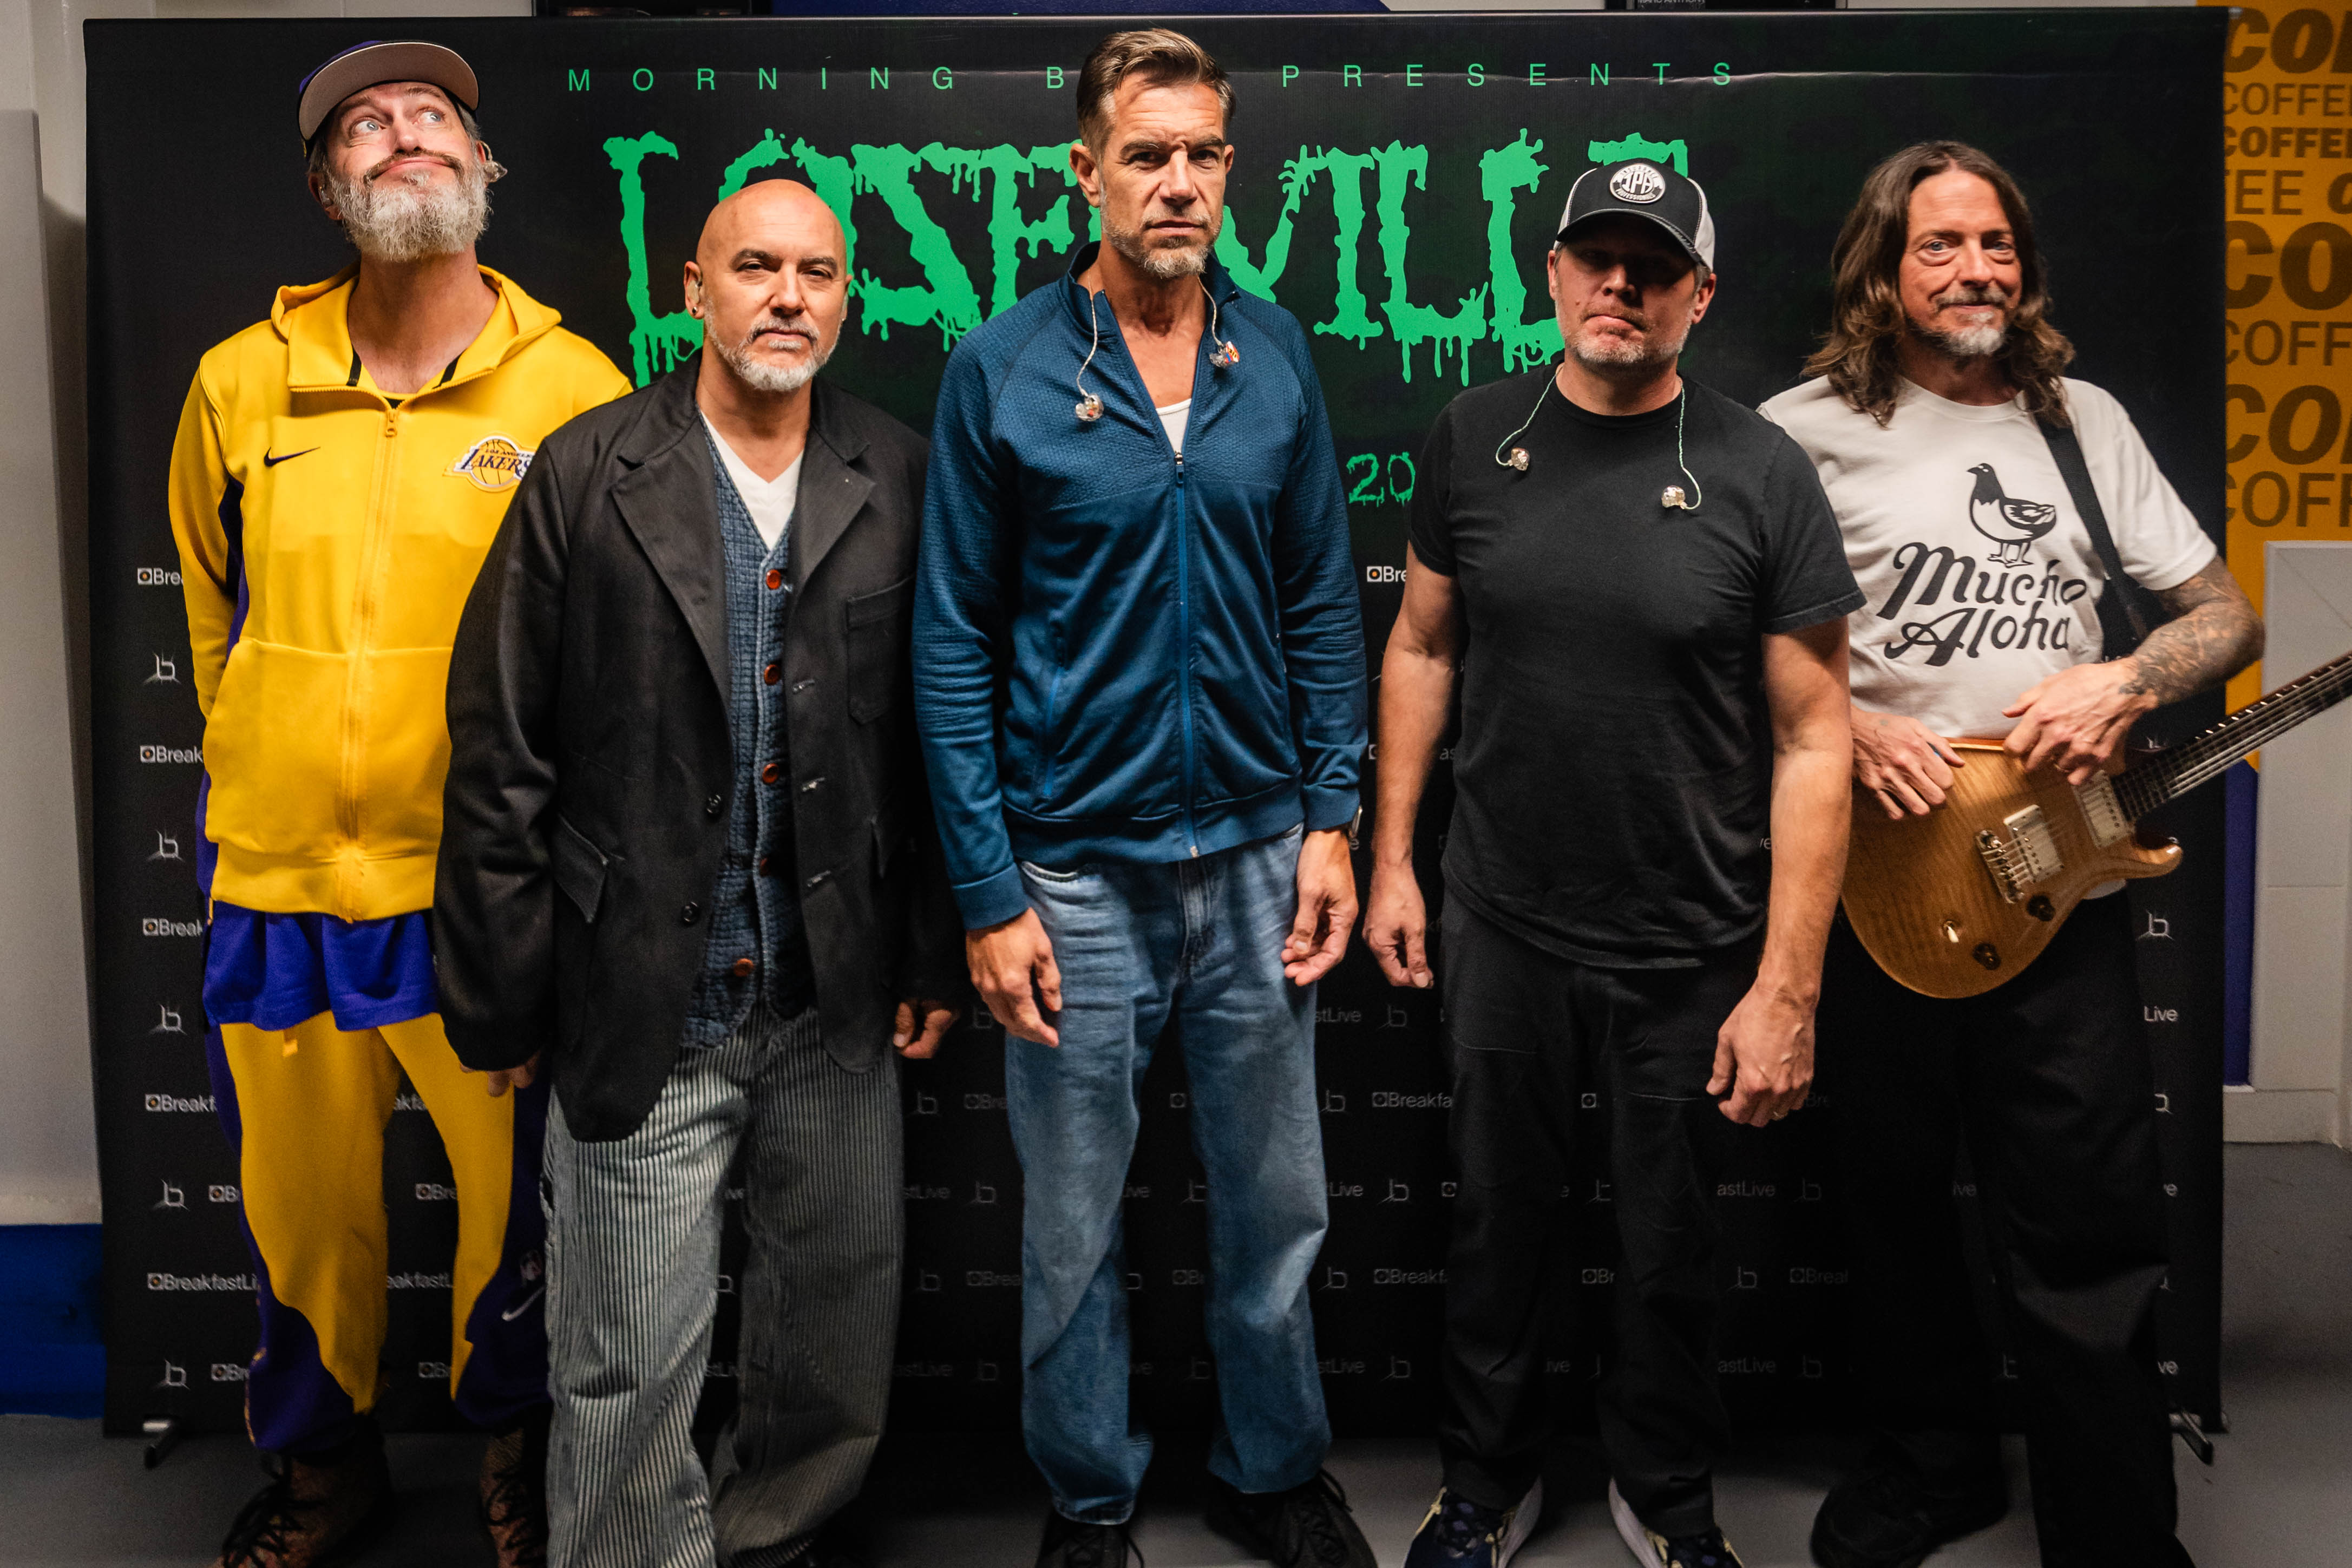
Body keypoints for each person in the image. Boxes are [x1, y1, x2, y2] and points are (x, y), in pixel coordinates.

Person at [433, 178, 964, 1568]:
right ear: (694, 290)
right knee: (619, 1365)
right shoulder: (585, 473)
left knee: (832, 1348)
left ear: (847, 299)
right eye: (755, 267)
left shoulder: (901, 475)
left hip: (835, 1001)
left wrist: (927, 952)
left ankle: (769, 1539)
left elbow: (935, 747)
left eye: (817, 273)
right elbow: (500, 750)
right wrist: (503, 996)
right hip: (640, 997)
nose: (787, 296)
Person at [1759, 141, 2261, 1568]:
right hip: (1878, 880)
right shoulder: (1798, 433)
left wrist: (2130, 679)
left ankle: (2114, 1531)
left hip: (2061, 876)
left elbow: (2223, 616)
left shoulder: (2080, 423)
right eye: (1940, 245)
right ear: (1881, 269)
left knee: (2088, 1215)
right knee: (1892, 1201)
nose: (1976, 270)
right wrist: (1849, 723)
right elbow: (1718, 637)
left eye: (1996, 245)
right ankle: (1935, 1473)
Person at [166, 41, 631, 1568]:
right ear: (328, 189)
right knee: (299, 1216)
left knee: (518, 1213)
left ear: (483, 169)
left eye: (434, 116)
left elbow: (607, 652)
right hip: (278, 883)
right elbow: (213, 626)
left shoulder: (573, 387)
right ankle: (324, 1472)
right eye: (364, 126)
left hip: (481, 892)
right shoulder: (239, 383)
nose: (404, 135)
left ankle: (517, 1461)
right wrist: (266, 763)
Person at [914, 28, 1374, 1568]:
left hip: (1256, 860)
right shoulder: (1002, 368)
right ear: (1086, 171)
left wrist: (1330, 821)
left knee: (1277, 1209)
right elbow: (953, 643)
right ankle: (1089, 1498)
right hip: (1072, 876)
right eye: (1146, 154)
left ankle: (1272, 1470)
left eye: (1203, 155)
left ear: (1229, 170)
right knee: (1070, 1227)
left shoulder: (1275, 353)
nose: (1178, 182)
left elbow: (1321, 602)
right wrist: (989, 892)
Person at [1366, 158, 1861, 1568]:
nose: (1621, 286)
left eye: (1654, 267)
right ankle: (1485, 1484)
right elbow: (1422, 647)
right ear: (1554, 274)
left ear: (1699, 294)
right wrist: (1393, 860)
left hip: (1690, 940)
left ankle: (1667, 1493)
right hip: (1502, 922)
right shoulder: (1473, 436)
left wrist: (1788, 986)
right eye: (1597, 257)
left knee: (1669, 1249)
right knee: (1496, 1227)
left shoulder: (1763, 472)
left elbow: (1813, 738)